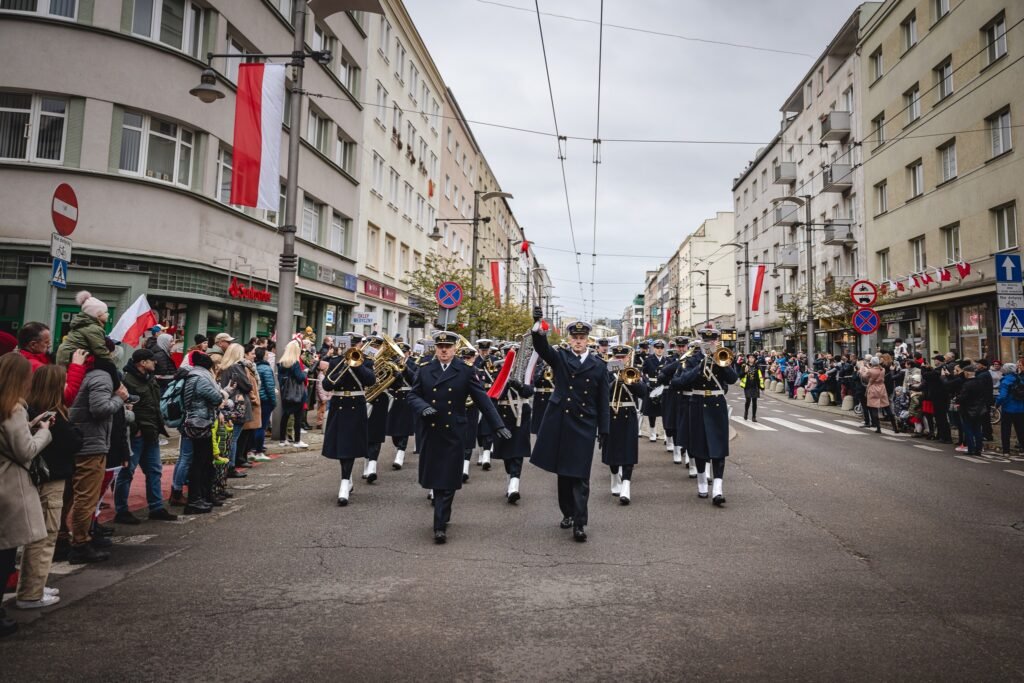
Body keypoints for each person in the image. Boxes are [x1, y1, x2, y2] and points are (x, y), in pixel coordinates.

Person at [407, 331, 508, 543]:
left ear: (455, 349)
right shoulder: (425, 370)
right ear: (436, 348)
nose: (444, 350)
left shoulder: (465, 370)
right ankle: (441, 515)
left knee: (449, 478)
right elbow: (413, 394)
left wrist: (498, 425)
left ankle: (440, 525)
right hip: (432, 430)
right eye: (440, 346)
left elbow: (482, 399)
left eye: (448, 347)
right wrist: (423, 407)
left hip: (454, 430)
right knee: (436, 477)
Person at [530, 314, 610, 542]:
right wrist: (537, 328)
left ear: (588, 340)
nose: (577, 341)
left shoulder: (599, 365)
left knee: (581, 476)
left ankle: (580, 522)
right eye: (574, 337)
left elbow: (603, 400)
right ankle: (567, 512)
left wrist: (604, 429)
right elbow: (542, 348)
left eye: (582, 337)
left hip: (585, 423)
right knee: (564, 474)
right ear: (570, 339)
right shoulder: (561, 358)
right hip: (561, 421)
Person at [0, 354, 54, 634]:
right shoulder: (13, 408)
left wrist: (29, 428)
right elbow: (26, 451)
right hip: (9, 485)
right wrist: (43, 432)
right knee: (5, 552)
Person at [68, 353, 127, 563]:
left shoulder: (81, 372)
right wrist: (120, 398)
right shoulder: (102, 376)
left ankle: (66, 539)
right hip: (90, 443)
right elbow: (100, 409)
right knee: (86, 497)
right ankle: (80, 543)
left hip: (77, 440)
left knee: (70, 496)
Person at [671, 328, 738, 506]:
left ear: (717, 342)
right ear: (701, 341)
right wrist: (699, 368)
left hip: (717, 404)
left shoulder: (722, 357)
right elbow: (678, 382)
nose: (710, 344)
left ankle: (717, 488)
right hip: (697, 404)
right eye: (707, 341)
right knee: (699, 449)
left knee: (719, 449)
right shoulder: (691, 359)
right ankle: (702, 480)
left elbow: (732, 379)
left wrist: (722, 363)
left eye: (713, 341)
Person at [114, 349, 177, 523]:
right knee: (127, 472)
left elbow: (155, 405)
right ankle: (121, 510)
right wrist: (136, 429)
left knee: (155, 471)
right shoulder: (127, 380)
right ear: (142, 363)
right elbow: (124, 407)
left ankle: (156, 507)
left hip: (152, 432)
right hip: (137, 434)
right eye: (151, 360)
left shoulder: (150, 379)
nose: (155, 363)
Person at [320, 334, 375, 506]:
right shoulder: (336, 361)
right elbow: (327, 385)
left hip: (356, 405)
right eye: (349, 344)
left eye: (355, 344)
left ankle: (344, 483)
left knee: (349, 446)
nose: (352, 346)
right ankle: (347, 477)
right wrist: (342, 366)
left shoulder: (365, 360)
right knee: (341, 446)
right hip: (339, 405)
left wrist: (356, 365)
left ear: (360, 345)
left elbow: (371, 380)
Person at [181, 353, 228, 513]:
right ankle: (195, 499)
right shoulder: (201, 378)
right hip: (199, 422)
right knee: (200, 462)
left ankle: (204, 495)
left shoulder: (195, 375)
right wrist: (222, 395)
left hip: (200, 421)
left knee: (205, 461)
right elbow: (216, 397)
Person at [603, 344, 647, 504]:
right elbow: (600, 394)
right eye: (617, 357)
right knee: (612, 451)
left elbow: (643, 392)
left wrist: (631, 381)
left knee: (629, 450)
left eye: (623, 357)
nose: (621, 360)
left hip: (629, 415)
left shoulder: (634, 372)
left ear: (628, 358)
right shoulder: (605, 372)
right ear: (613, 358)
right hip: (611, 415)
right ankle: (615, 477)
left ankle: (626, 486)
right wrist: (616, 381)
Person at [55, 291, 113, 366]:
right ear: (98, 314)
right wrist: (111, 363)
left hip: (66, 356)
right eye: (105, 312)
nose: (108, 314)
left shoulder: (87, 325)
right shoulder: (93, 328)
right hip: (70, 358)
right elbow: (100, 350)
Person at [386, 342, 418, 470]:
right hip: (394, 397)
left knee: (404, 428)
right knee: (394, 431)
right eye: (399, 353)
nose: (401, 355)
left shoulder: (413, 364)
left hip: (407, 397)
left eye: (404, 353)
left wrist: (405, 369)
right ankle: (398, 447)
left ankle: (400, 452)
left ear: (408, 353)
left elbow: (416, 380)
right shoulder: (391, 364)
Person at [277, 339, 309, 449]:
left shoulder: (282, 363)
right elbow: (300, 378)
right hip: (297, 394)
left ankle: (282, 440)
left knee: (285, 415)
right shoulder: (295, 363)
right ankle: (297, 441)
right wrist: (305, 372)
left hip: (285, 393)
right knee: (298, 417)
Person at [958, 365, 989, 455]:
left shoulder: (967, 384)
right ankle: (978, 449)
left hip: (968, 409)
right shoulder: (980, 382)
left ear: (967, 373)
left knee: (968, 430)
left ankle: (971, 449)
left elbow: (963, 397)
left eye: (964, 373)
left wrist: (957, 398)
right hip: (979, 409)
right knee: (978, 429)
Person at [641, 340, 668, 441]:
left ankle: (666, 433)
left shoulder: (666, 360)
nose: (659, 350)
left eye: (661, 348)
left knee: (665, 412)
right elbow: (642, 373)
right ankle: (652, 432)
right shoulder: (649, 359)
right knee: (652, 412)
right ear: (654, 349)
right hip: (651, 386)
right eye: (657, 348)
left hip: (663, 386)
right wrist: (647, 382)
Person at [995, 362, 1024, 455]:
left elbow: (1002, 396)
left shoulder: (1005, 381)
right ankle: (1022, 449)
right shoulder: (1020, 379)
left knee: (1006, 430)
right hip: (1020, 408)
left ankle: (1006, 451)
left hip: (1008, 408)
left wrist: (997, 404)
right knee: (1020, 429)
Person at [253, 347, 276, 460]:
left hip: (257, 398)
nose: (268, 356)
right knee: (261, 426)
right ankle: (258, 451)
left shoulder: (254, 366)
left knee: (255, 426)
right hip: (265, 399)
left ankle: (252, 450)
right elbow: (270, 387)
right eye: (266, 354)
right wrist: (273, 401)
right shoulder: (266, 368)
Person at [858, 357, 889, 434]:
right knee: (886, 406)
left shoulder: (871, 371)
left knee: (873, 408)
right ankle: (894, 426)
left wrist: (862, 368)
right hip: (882, 388)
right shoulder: (883, 369)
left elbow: (864, 376)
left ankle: (878, 427)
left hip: (873, 389)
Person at [740, 353, 764, 421]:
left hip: (755, 386)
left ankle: (754, 417)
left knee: (754, 402)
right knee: (748, 400)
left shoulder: (757, 367)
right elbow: (740, 375)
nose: (751, 359)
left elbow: (760, 377)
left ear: (754, 359)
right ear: (748, 358)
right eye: (750, 357)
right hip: (747, 386)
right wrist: (745, 372)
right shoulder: (744, 366)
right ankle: (746, 412)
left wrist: (761, 387)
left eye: (753, 358)